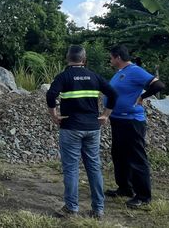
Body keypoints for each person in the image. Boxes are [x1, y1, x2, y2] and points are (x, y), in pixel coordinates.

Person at [46, 45, 118, 219]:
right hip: (92, 128)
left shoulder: (64, 76)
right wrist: (105, 115)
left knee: (71, 168)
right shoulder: (94, 76)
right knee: (94, 167)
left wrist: (54, 115)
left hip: (71, 128)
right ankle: (98, 209)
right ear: (84, 60)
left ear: (67, 59)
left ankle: (72, 208)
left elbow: (50, 95)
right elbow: (113, 94)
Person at [106, 45, 165, 209]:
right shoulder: (120, 72)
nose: (110, 60)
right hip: (118, 119)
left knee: (136, 157)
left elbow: (159, 85)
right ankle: (125, 187)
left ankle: (143, 196)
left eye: (111, 57)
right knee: (119, 155)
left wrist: (142, 97)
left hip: (131, 120)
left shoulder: (135, 71)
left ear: (118, 57)